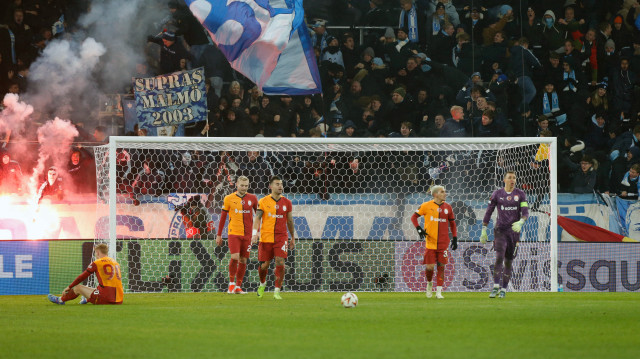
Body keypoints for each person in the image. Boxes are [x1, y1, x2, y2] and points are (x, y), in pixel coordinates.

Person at [480, 171, 529, 299]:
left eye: (514, 178)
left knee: (508, 262)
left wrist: (521, 221)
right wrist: (484, 228)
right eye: (510, 178)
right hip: (500, 231)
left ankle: (504, 289)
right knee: (499, 257)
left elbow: (525, 212)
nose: (512, 180)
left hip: (514, 232)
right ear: (504, 180)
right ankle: (496, 286)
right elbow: (489, 211)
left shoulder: (521, 194)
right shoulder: (497, 194)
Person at [251, 176, 295, 300]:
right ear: (271, 186)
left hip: (281, 237)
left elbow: (290, 221)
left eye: (281, 184)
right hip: (266, 237)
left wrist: (292, 237)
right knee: (264, 265)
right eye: (277, 184)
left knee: (280, 262)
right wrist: (255, 233)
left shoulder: (287, 202)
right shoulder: (263, 201)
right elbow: (257, 218)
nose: (280, 186)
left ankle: (277, 291)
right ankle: (262, 283)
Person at [410, 185, 458, 299]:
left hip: (443, 243)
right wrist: (418, 228)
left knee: (441, 267)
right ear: (435, 194)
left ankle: (439, 292)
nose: (445, 194)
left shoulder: (448, 207)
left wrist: (455, 238)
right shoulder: (426, 206)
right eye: (442, 192)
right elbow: (413, 217)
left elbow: (452, 223)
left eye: (445, 191)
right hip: (430, 243)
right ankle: (429, 283)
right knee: (430, 267)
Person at [216, 176, 258, 294]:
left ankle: (238, 286)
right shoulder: (229, 198)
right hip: (234, 233)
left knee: (243, 260)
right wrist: (219, 234)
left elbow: (258, 217)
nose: (244, 188)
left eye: (246, 186)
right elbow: (223, 217)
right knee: (235, 257)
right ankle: (231, 284)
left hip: (248, 235)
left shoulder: (253, 198)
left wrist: (256, 233)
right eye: (242, 185)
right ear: (237, 185)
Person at [47, 243, 123, 305]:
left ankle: (60, 300)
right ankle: (86, 299)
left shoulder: (97, 263)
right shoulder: (115, 262)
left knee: (78, 288)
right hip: (119, 299)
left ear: (97, 252)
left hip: (106, 299)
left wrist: (70, 287)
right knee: (99, 288)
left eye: (95, 253)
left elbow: (82, 277)